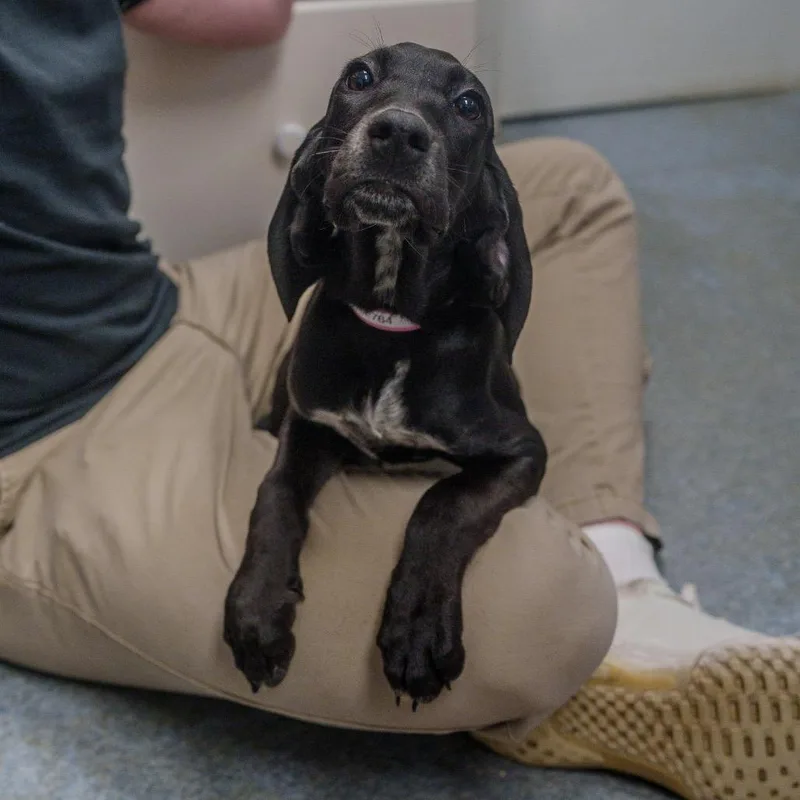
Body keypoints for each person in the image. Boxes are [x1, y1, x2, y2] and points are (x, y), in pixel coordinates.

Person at [0, 2, 797, 800]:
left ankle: (630, 579)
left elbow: (253, 13)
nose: (400, 127)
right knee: (551, 614)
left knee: (572, 184)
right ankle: (599, 636)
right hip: (50, 431)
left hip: (154, 302)